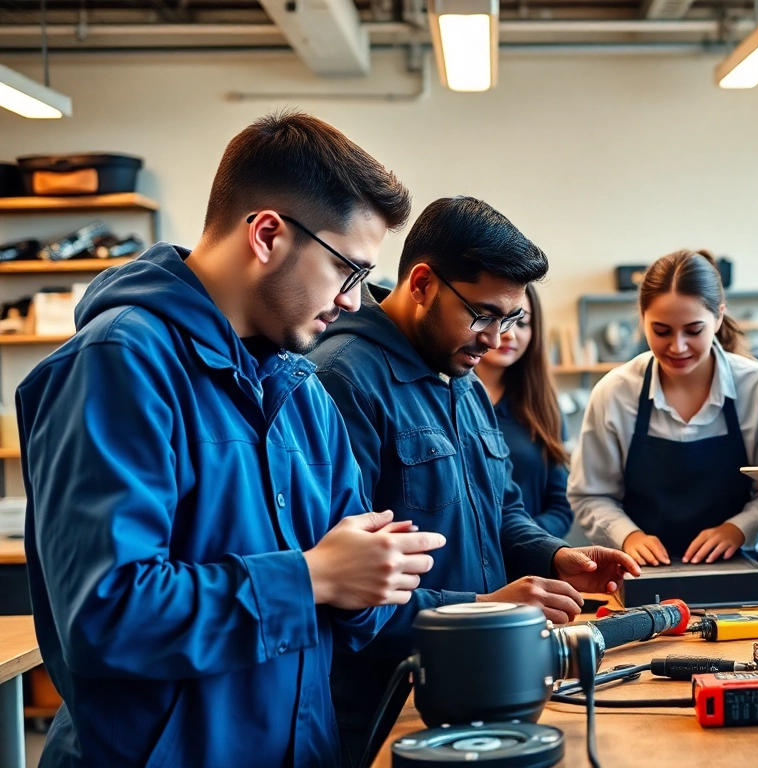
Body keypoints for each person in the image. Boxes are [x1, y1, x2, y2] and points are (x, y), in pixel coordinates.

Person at [17, 112, 444, 768]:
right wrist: (307, 579)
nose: (356, 302)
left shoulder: (304, 393)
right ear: (268, 233)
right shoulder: (119, 363)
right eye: (348, 271)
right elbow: (105, 614)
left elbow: (355, 595)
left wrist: (485, 614)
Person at [309, 196, 638, 768]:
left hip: (475, 685)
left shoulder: (462, 381)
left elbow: (502, 509)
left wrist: (557, 556)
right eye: (483, 314)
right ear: (421, 283)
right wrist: (483, 607)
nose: (495, 339)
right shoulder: (343, 380)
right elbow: (344, 589)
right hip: (386, 708)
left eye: (509, 319)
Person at [569, 250, 758, 566]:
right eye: (661, 331)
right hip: (641, 575)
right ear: (642, 318)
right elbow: (590, 495)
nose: (677, 346)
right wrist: (628, 536)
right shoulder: (615, 392)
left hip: (736, 570)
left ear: (719, 317)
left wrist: (738, 530)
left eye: (693, 330)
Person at [474, 283, 574, 537]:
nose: (509, 334)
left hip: (530, 560)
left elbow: (562, 507)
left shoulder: (545, 406)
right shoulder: (444, 398)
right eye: (497, 319)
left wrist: (522, 541)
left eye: (522, 322)